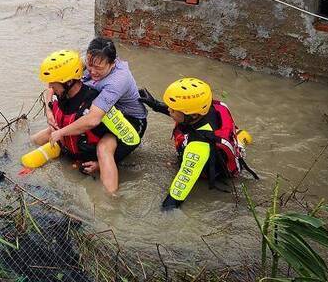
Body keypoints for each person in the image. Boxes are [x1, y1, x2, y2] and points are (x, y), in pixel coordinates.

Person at [139, 77, 257, 210]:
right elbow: (182, 113)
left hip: (215, 170)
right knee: (242, 136)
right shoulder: (209, 107)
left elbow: (181, 187)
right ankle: (243, 137)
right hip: (229, 145)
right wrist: (155, 104)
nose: (169, 111)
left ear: (193, 115)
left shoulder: (198, 146)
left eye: (173, 109)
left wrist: (165, 210)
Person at [48, 37, 148, 193]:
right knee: (56, 128)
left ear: (112, 64)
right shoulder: (92, 61)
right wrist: (50, 112)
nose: (92, 71)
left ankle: (109, 200)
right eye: (90, 65)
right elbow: (54, 81)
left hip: (130, 121)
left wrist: (61, 132)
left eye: (99, 68)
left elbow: (93, 119)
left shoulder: (117, 81)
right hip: (106, 112)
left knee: (103, 148)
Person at [31, 49, 102, 163]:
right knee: (30, 142)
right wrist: (49, 111)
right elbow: (49, 91)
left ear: (68, 82)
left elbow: (112, 140)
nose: (50, 85)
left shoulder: (94, 103)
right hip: (63, 145)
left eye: (53, 82)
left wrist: (98, 164)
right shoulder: (62, 91)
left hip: (84, 158)